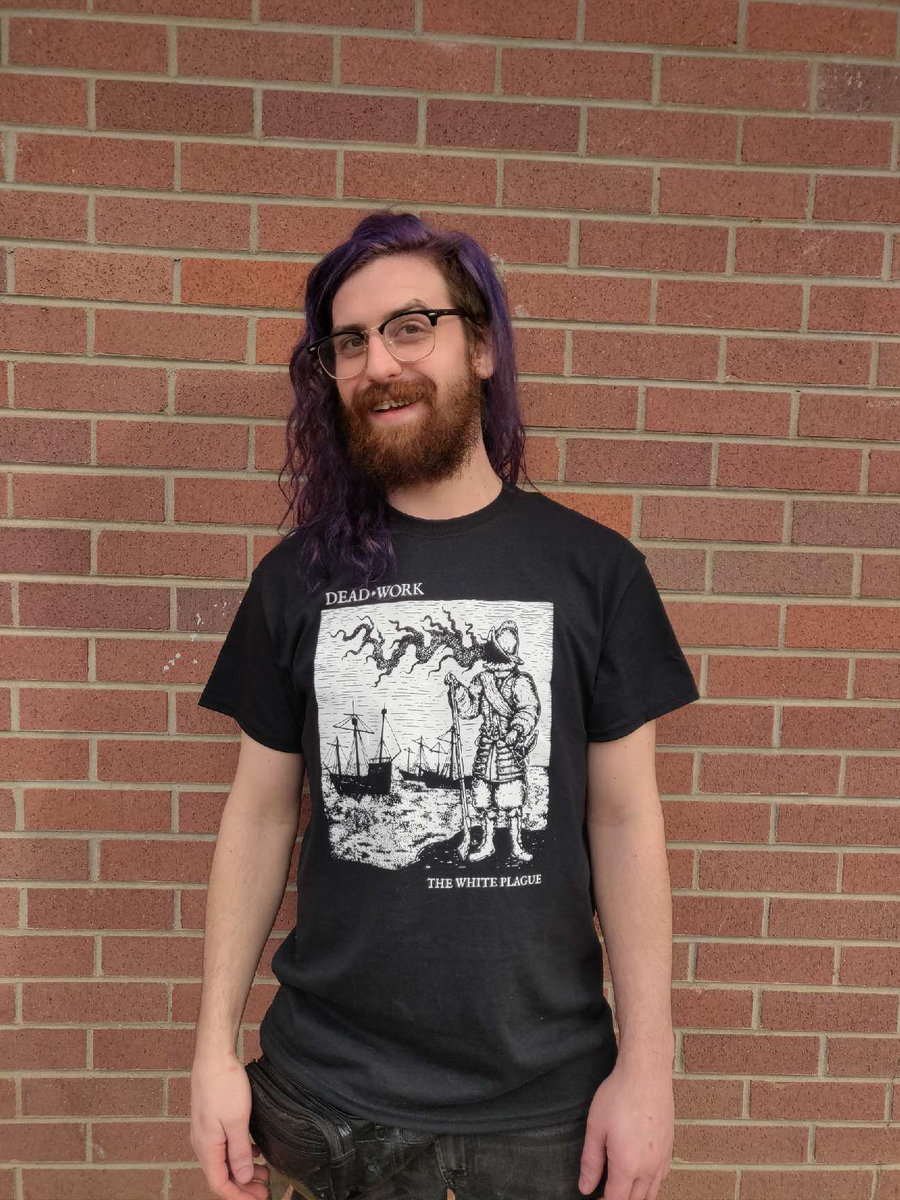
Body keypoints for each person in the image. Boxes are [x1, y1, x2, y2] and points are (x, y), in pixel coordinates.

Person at [189, 211, 700, 1200]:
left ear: (483, 346)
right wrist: (212, 1048)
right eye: (349, 342)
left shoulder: (595, 571)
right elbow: (257, 815)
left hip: (548, 1109)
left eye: (410, 327)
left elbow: (625, 819)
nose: (379, 363)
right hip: (329, 1104)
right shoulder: (296, 580)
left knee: (498, 799)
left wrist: (649, 1068)